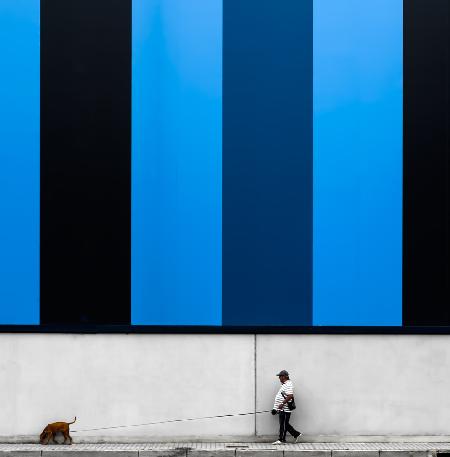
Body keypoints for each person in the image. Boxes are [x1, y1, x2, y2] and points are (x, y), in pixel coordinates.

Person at [271, 370, 302, 445]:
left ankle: (282, 439)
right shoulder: (284, 384)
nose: (279, 378)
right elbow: (282, 396)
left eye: (280, 376)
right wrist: (275, 409)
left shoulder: (288, 384)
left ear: (285, 376)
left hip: (285, 409)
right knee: (285, 424)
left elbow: (290, 396)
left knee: (283, 424)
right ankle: (296, 434)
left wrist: (282, 404)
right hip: (282, 409)